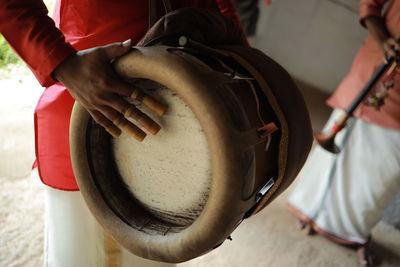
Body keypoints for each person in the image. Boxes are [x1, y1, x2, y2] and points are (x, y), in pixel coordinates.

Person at [0, 1, 243, 266]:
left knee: (158, 254)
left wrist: (239, 60)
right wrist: (60, 61)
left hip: (187, 119)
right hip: (94, 119)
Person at [287, 0, 400, 265]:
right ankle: (310, 212)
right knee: (337, 154)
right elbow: (370, 6)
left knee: (383, 173)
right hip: (376, 68)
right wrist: (384, 41)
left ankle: (355, 234)